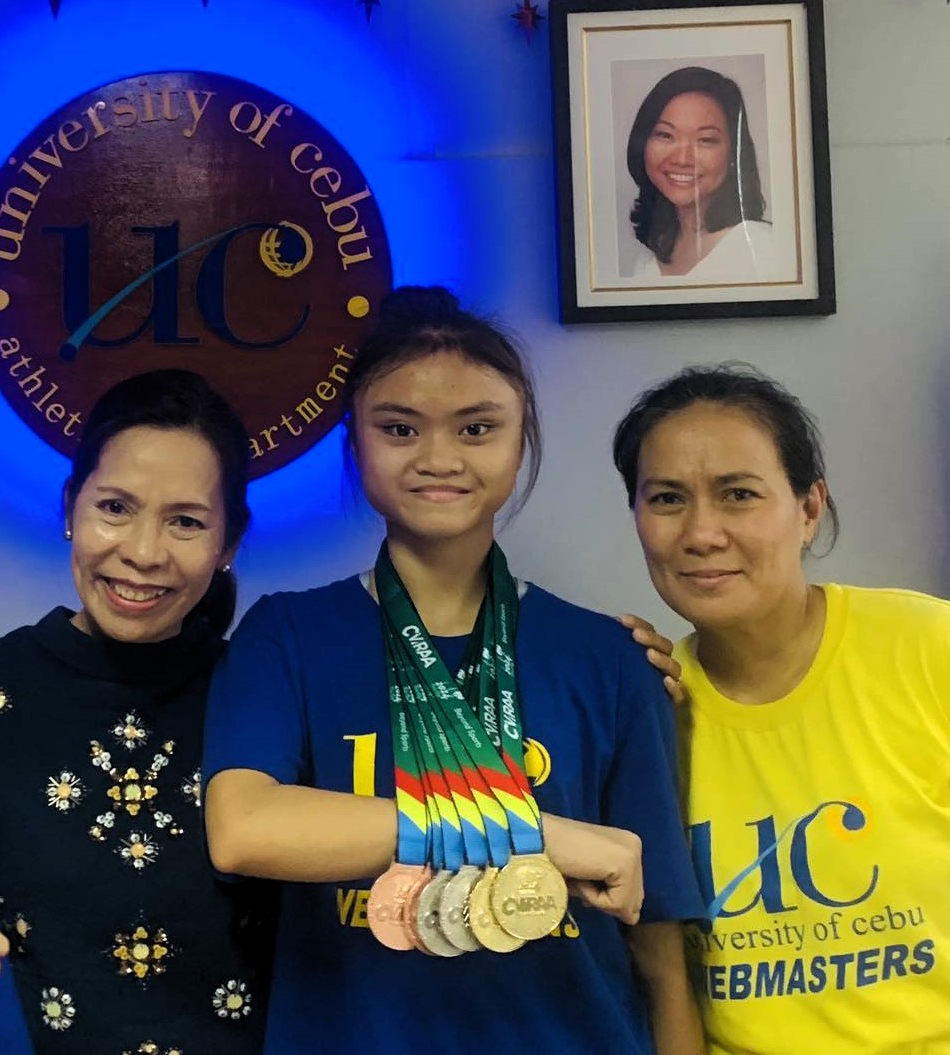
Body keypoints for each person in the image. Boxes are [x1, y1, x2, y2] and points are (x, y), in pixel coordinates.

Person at [203, 285, 706, 1055]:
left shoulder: (607, 659)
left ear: (519, 440)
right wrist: (535, 834)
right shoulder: (288, 636)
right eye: (399, 428)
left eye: (476, 427)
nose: (438, 458)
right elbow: (242, 829)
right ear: (354, 442)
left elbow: (660, 954)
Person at [612, 363, 950, 1055]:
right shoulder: (645, 706)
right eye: (667, 498)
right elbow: (657, 969)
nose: (701, 533)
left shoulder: (926, 646)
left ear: (807, 508)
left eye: (737, 494)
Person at [0, 369, 274, 1055]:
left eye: (184, 521)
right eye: (115, 507)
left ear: (229, 541)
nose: (143, 553)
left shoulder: (270, 695)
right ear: (70, 507)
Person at [625, 67, 776, 282]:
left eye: (705, 140)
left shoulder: (763, 250)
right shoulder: (647, 261)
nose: (682, 159)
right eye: (665, 135)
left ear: (734, 153)